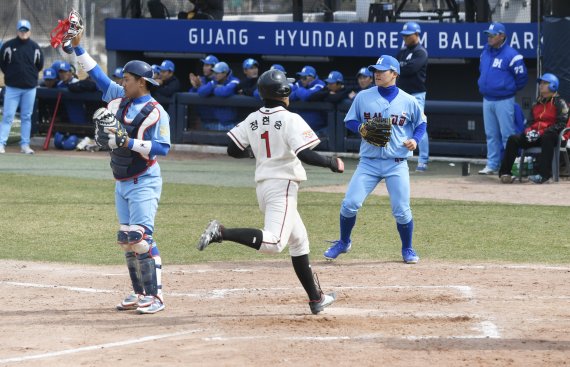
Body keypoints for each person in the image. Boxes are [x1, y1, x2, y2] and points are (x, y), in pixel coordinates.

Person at [196, 69, 343, 315]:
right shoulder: (290, 119)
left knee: (299, 241)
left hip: (264, 187)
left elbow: (232, 149)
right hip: (282, 186)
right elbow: (305, 153)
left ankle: (316, 298)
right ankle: (222, 232)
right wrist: (330, 162)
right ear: (284, 93)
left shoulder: (252, 118)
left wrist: (255, 152)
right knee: (275, 242)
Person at [71, 31, 170, 314]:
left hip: (144, 180)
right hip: (121, 181)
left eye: (126, 79)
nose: (121, 83)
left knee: (140, 239)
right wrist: (78, 48)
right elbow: (97, 75)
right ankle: (139, 293)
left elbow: (162, 147)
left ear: (142, 82)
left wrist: (127, 142)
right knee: (127, 240)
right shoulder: (119, 98)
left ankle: (156, 297)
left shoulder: (157, 111)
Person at [323, 55, 426, 264]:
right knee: (350, 203)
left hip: (396, 162)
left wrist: (415, 140)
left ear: (394, 74)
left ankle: (407, 248)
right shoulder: (363, 97)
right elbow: (350, 120)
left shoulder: (409, 100)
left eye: (382, 71)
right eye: (375, 71)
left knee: (402, 210)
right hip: (369, 162)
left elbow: (421, 123)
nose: (376, 74)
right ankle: (344, 242)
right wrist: (361, 127)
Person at [498, 73, 569, 184]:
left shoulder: (560, 103)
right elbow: (529, 123)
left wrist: (542, 132)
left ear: (553, 86)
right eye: (541, 83)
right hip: (536, 135)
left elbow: (561, 124)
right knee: (513, 139)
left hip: (552, 136)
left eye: (545, 83)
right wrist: (529, 131)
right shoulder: (536, 103)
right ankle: (505, 173)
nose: (541, 85)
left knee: (547, 136)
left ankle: (544, 176)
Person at [478, 22, 528, 175]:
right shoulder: (485, 52)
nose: (490, 37)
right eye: (488, 34)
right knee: (491, 135)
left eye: (493, 35)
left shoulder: (512, 55)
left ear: (502, 36)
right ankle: (492, 164)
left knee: (507, 135)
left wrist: (508, 89)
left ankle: (509, 166)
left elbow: (522, 78)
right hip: (487, 99)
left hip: (504, 100)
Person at [0, 19, 44, 154]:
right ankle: (1, 143)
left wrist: (29, 77)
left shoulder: (35, 47)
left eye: (25, 30)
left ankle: (25, 145)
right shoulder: (8, 46)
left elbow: (39, 65)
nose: (23, 33)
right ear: (17, 31)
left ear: (29, 31)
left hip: (30, 88)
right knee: (8, 116)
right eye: (21, 30)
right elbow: (3, 63)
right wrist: (12, 76)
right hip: (12, 87)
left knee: (26, 116)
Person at [396, 22, 430, 172]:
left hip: (416, 94)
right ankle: (400, 157)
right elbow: (395, 67)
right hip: (402, 93)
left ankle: (423, 160)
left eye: (408, 35)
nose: (405, 38)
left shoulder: (420, 51)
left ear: (416, 35)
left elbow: (411, 69)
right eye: (404, 35)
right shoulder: (403, 51)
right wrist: (402, 67)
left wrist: (401, 67)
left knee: (419, 125)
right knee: (399, 124)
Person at [197, 61, 239, 130]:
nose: (214, 75)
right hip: (214, 122)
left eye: (217, 73)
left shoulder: (234, 81)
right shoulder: (214, 81)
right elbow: (201, 92)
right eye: (214, 72)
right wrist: (215, 86)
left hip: (230, 124)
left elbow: (224, 92)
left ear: (225, 73)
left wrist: (214, 89)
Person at [290, 65, 326, 132]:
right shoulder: (299, 83)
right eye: (301, 77)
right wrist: (297, 93)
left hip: (317, 129)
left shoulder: (320, 84)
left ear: (311, 77)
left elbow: (306, 96)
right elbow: (288, 95)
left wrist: (298, 92)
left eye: (304, 77)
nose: (301, 79)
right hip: (300, 128)